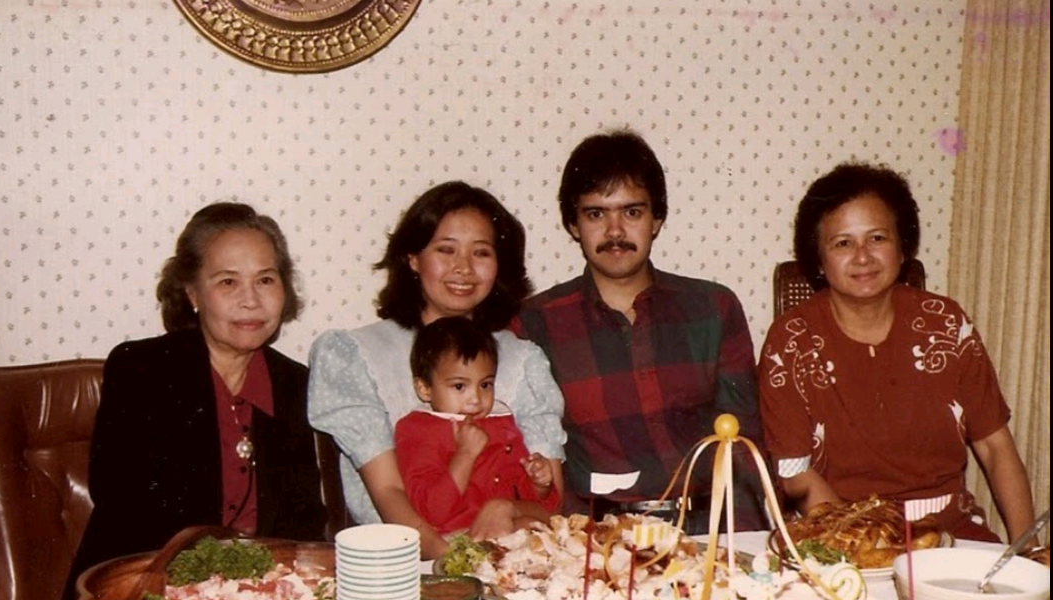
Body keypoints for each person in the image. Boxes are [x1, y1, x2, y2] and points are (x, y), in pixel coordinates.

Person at [58, 202, 327, 600]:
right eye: (227, 282)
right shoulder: (141, 369)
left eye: (265, 279)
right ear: (192, 294)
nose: (251, 299)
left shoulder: (294, 383)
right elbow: (126, 506)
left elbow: (303, 523)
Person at [758, 161, 1035, 542]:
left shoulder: (947, 324)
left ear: (903, 247)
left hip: (949, 533)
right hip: (840, 536)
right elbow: (796, 475)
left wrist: (1028, 553)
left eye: (877, 238)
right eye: (843, 243)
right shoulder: (789, 340)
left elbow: (995, 446)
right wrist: (871, 546)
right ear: (818, 261)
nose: (862, 257)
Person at [511, 129, 768, 534]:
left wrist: (750, 540)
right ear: (573, 225)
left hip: (707, 528)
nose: (615, 232)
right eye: (596, 213)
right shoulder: (534, 323)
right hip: (596, 539)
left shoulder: (714, 309)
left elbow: (744, 446)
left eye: (631, 212)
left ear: (657, 219)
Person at [308, 181, 566, 559]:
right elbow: (389, 493)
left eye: (481, 252)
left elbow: (549, 502)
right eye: (446, 250)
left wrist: (507, 508)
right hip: (401, 565)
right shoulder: (358, 354)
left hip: (514, 557)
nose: (463, 268)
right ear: (412, 258)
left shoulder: (523, 360)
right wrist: (453, 565)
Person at [395, 316, 561, 534]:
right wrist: (465, 454)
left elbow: (533, 503)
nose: (475, 398)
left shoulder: (501, 421)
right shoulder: (418, 429)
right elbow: (432, 511)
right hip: (456, 538)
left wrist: (540, 485)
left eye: (485, 385)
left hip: (508, 524)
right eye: (459, 386)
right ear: (424, 388)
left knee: (543, 529)